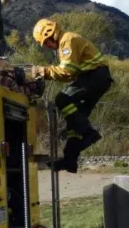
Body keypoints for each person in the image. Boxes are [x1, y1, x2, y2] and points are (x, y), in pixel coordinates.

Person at [29, 18, 113, 173]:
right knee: (75, 121)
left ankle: (89, 133)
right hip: (97, 78)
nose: (47, 46)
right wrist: (48, 73)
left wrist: (43, 71)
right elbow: (67, 75)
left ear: (51, 34)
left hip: (94, 76)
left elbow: (68, 71)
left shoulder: (67, 41)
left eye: (46, 42)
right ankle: (70, 160)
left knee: (62, 99)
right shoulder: (65, 42)